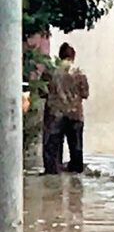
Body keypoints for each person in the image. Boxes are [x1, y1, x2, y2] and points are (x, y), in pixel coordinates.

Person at [44, 43, 89, 174]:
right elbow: (85, 94)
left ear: (60, 56)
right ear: (73, 56)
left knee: (52, 151)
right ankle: (76, 177)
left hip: (54, 114)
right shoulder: (79, 73)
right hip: (75, 115)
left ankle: (53, 175)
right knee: (76, 149)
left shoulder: (50, 72)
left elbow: (42, 92)